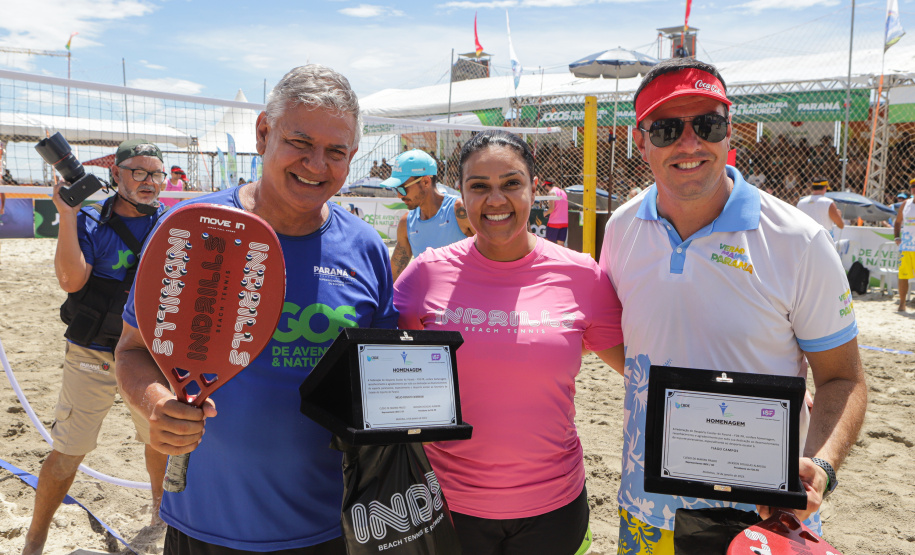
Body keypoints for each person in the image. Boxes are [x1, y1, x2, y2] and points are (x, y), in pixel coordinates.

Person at [114, 65, 397, 555]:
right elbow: (131, 352)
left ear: (352, 158)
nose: (315, 164)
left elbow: (385, 380)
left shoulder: (366, 248)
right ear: (263, 132)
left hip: (333, 529)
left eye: (335, 152)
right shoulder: (192, 229)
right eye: (300, 142)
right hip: (203, 526)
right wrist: (157, 404)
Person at [600, 57, 867, 553]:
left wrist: (821, 467)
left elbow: (843, 378)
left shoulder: (798, 240)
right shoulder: (620, 230)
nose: (689, 142)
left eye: (707, 124)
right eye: (665, 129)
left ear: (728, 133)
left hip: (764, 518)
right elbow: (624, 342)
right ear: (641, 142)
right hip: (647, 508)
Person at [394, 130, 624, 555]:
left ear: (535, 189)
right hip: (447, 503)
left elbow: (640, 367)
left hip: (554, 504)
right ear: (460, 195)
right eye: (479, 186)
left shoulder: (582, 276)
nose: (495, 200)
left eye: (511, 184)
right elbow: (382, 372)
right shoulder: (426, 274)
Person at [22, 139, 170, 555]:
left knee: (157, 438)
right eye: (138, 171)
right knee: (68, 451)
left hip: (149, 355)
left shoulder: (173, 223)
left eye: (156, 172)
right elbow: (71, 281)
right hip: (93, 352)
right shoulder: (90, 221)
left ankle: (159, 511)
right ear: (115, 176)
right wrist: (66, 215)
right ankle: (36, 536)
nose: (149, 181)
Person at [384, 149, 474, 279]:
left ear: (426, 181)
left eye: (402, 188)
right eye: (395, 189)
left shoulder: (459, 211)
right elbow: (392, 277)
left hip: (465, 296)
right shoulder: (407, 223)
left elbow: (495, 254)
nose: (399, 195)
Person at [893, 178, 915, 312]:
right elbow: (897, 222)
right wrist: (897, 237)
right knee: (903, 276)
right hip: (907, 246)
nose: (914, 188)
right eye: (913, 186)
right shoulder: (906, 204)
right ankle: (902, 304)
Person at [542, 179, 569, 246]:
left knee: (549, 243)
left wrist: (545, 213)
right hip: (564, 222)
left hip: (554, 222)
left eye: (545, 186)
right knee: (561, 244)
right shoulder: (563, 192)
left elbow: (551, 208)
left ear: (547, 185)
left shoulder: (551, 192)